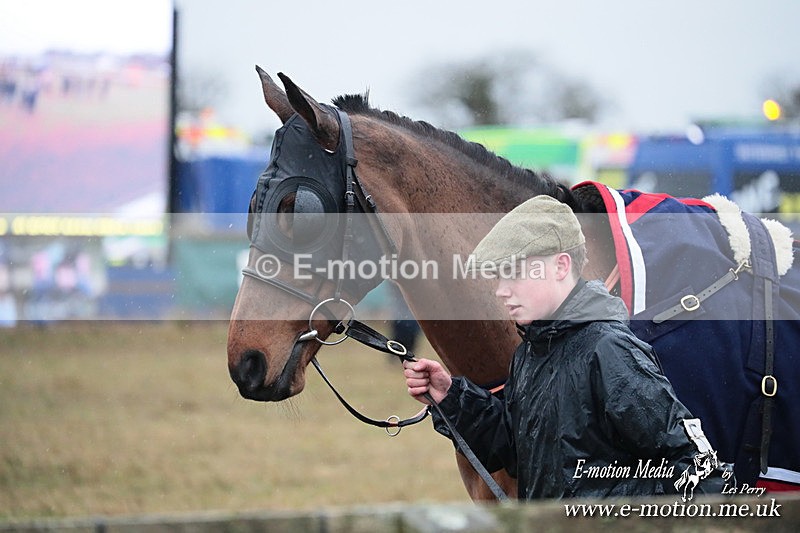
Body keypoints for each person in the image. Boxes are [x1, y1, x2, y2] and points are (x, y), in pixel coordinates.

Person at [403, 195, 728, 500]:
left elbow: (698, 470)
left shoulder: (609, 351)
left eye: (514, 273)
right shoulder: (529, 354)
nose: (501, 291)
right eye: (498, 278)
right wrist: (452, 398)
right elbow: (518, 451)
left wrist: (593, 511)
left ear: (560, 266)